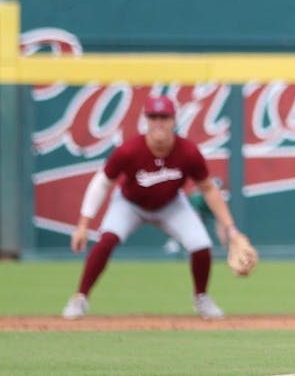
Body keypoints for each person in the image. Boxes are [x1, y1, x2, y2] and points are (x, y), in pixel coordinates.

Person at [62, 95, 240, 320]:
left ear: (174, 120)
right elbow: (102, 182)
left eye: (164, 117)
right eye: (153, 116)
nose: (158, 122)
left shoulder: (188, 152)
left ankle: (202, 298)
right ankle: (80, 297)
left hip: (170, 204)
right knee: (106, 240)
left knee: (201, 245)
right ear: (146, 120)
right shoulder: (129, 150)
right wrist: (83, 224)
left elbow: (208, 189)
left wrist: (230, 228)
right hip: (130, 204)